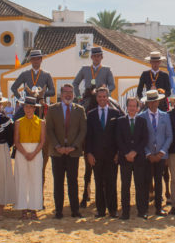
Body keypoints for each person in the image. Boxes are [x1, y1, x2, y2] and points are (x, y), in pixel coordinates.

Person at [44, 83, 87, 218]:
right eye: (65, 92)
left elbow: (83, 130)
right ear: (61, 94)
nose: (68, 95)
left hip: (73, 152)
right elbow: (49, 129)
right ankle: (58, 211)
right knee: (58, 182)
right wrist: (58, 146)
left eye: (70, 92)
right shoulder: (52, 109)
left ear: (73, 95)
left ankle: (75, 210)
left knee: (73, 182)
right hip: (57, 152)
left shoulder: (79, 110)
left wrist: (73, 146)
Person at [85, 87, 121, 217]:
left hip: (112, 156)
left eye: (104, 97)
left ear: (108, 98)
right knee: (98, 183)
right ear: (96, 98)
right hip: (96, 155)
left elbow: (118, 136)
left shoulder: (115, 113)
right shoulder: (91, 114)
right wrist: (89, 153)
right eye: (99, 97)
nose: (102, 99)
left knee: (112, 182)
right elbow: (88, 137)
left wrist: (118, 153)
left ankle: (113, 210)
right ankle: (100, 210)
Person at [115, 96, 151, 220]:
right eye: (130, 106)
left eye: (134, 106)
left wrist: (134, 152)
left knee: (140, 185)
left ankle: (142, 211)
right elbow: (118, 139)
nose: (131, 108)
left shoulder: (142, 121)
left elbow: (144, 139)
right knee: (125, 186)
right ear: (127, 107)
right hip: (125, 159)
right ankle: (125, 212)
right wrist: (126, 153)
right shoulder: (120, 121)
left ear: (137, 108)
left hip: (139, 158)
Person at [139, 89, 172, 216]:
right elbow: (140, 138)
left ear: (158, 102)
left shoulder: (165, 116)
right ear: (147, 103)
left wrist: (162, 152)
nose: (152, 104)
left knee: (159, 180)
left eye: (155, 102)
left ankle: (159, 208)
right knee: (147, 181)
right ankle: (145, 209)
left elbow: (169, 136)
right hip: (148, 155)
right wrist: (148, 153)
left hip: (161, 155)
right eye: (150, 102)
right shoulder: (141, 117)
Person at [13, 96, 45, 219]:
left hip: (36, 152)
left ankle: (34, 207)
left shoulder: (41, 122)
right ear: (24, 108)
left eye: (31, 107)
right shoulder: (18, 122)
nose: (28, 109)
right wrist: (25, 153)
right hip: (22, 152)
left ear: (34, 109)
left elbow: (42, 141)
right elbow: (16, 141)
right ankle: (23, 208)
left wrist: (33, 153)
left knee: (35, 179)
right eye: (26, 107)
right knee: (22, 179)